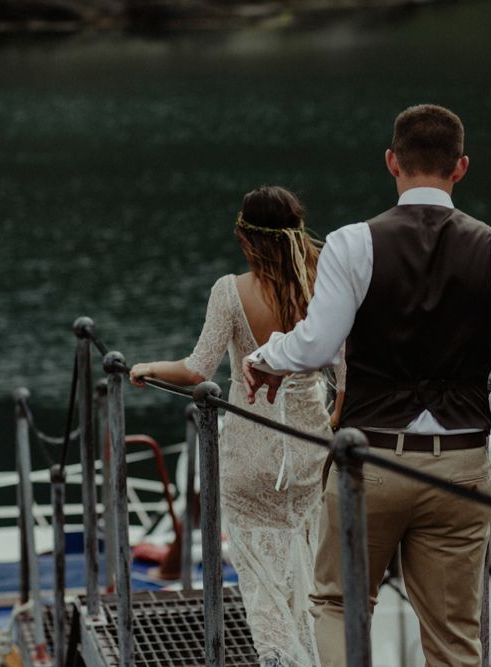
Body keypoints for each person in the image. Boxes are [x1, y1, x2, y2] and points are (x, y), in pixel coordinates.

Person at [243, 104, 491, 666]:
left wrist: (264, 357)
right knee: (453, 639)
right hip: (460, 466)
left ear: (391, 162)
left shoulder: (354, 244)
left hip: (371, 462)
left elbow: (315, 346)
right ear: (461, 168)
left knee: (338, 605)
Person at [129, 185, 344, 667]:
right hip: (311, 450)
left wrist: (147, 368)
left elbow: (197, 370)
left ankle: (279, 657)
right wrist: (331, 426)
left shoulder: (230, 291)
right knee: (306, 567)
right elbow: (348, 372)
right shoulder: (324, 286)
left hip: (249, 449)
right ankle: (315, 656)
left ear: (245, 238)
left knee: (259, 577)